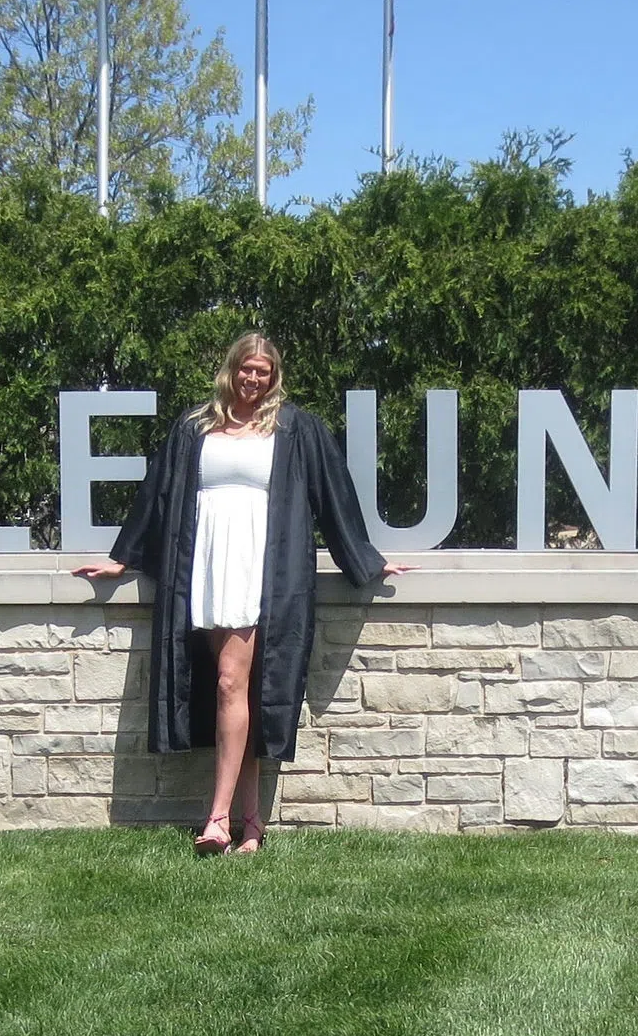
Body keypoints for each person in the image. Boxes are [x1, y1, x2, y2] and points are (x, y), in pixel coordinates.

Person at [72, 332, 408, 855]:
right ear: (231, 369)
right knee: (237, 690)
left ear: (274, 378)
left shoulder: (294, 428)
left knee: (231, 680)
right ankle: (253, 822)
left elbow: (332, 494)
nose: (254, 379)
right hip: (204, 565)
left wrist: (366, 559)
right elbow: (158, 495)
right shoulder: (193, 428)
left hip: (261, 566)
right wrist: (124, 559)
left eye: (264, 372)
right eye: (247, 369)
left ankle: (217, 818)